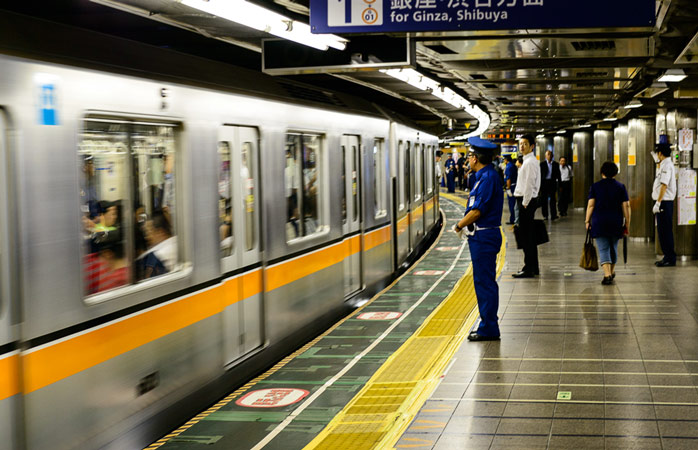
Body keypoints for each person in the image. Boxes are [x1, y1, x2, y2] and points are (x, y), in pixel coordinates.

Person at [452, 137, 503, 341]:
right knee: (484, 281)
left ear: (475, 158)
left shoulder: (488, 178)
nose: (468, 160)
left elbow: (477, 211)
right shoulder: (483, 176)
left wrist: (459, 225)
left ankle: (489, 327)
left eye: (470, 156)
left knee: (484, 282)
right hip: (481, 236)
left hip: (484, 236)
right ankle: (488, 323)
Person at [585, 161, 631, 285]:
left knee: (603, 248)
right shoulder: (620, 187)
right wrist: (627, 222)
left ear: (602, 172)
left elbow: (591, 205)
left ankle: (607, 275)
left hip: (599, 221)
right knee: (613, 247)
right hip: (615, 221)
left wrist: (587, 220)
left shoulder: (595, 186)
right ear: (615, 173)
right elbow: (626, 205)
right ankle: (611, 271)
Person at [512, 135, 541, 278]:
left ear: (532, 146)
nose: (522, 146)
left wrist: (524, 203)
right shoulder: (529, 161)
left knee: (526, 237)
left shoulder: (529, 162)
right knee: (529, 236)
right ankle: (533, 267)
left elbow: (529, 184)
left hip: (525, 202)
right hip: (527, 201)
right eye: (520, 144)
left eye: (525, 144)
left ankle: (528, 268)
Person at [652, 142, 677, 267]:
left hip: (664, 202)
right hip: (663, 202)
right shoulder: (663, 164)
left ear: (660, 153)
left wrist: (658, 203)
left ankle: (670, 258)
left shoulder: (667, 166)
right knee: (662, 230)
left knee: (665, 230)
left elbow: (664, 185)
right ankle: (667, 256)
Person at [138, 212, 177, 279]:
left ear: (160, 232)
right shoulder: (178, 241)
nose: (147, 238)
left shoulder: (158, 255)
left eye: (148, 233)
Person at [539, 150, 561, 220]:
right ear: (545, 156)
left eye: (550, 154)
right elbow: (539, 175)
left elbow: (559, 175)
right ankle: (545, 215)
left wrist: (560, 185)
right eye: (548, 154)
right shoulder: (542, 164)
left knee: (553, 200)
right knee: (544, 200)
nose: (549, 156)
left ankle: (553, 215)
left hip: (552, 183)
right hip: (544, 183)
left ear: (552, 156)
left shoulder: (556, 164)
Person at [503, 155, 517, 224]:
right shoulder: (513, 165)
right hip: (515, 186)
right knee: (514, 203)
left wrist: (508, 188)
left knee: (511, 203)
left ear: (506, 159)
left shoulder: (508, 167)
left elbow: (508, 179)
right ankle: (514, 218)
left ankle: (513, 219)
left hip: (511, 187)